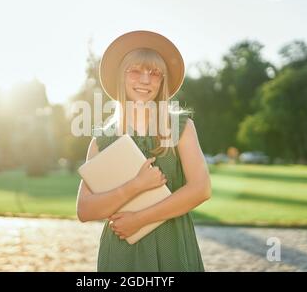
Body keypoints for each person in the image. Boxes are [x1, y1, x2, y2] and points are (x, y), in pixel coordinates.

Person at [76, 30, 212, 271]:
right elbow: (85, 210)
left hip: (173, 246)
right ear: (121, 77)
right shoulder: (102, 140)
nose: (146, 80)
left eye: (155, 73)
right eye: (136, 71)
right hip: (121, 251)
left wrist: (139, 220)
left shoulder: (180, 127)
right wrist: (136, 185)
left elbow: (201, 189)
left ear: (162, 82)